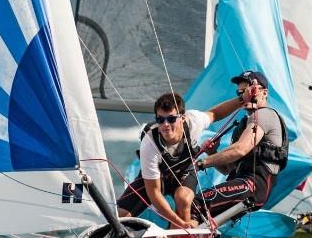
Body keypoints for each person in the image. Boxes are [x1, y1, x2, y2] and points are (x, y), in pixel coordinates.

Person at [116, 92, 241, 229]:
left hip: (184, 172)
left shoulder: (193, 121)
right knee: (119, 217)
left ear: (182, 118)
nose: (165, 125)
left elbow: (214, 114)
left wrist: (242, 99)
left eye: (171, 119)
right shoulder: (149, 143)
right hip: (158, 178)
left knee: (183, 199)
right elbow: (154, 193)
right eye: (160, 120)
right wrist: (181, 223)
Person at [193, 70, 288, 219]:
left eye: (250, 91)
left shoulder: (264, 114)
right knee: (197, 215)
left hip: (254, 185)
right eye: (240, 93)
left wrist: (201, 163)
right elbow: (228, 169)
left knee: (195, 204)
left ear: (264, 92)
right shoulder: (243, 125)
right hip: (243, 184)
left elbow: (240, 149)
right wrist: (213, 153)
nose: (245, 95)